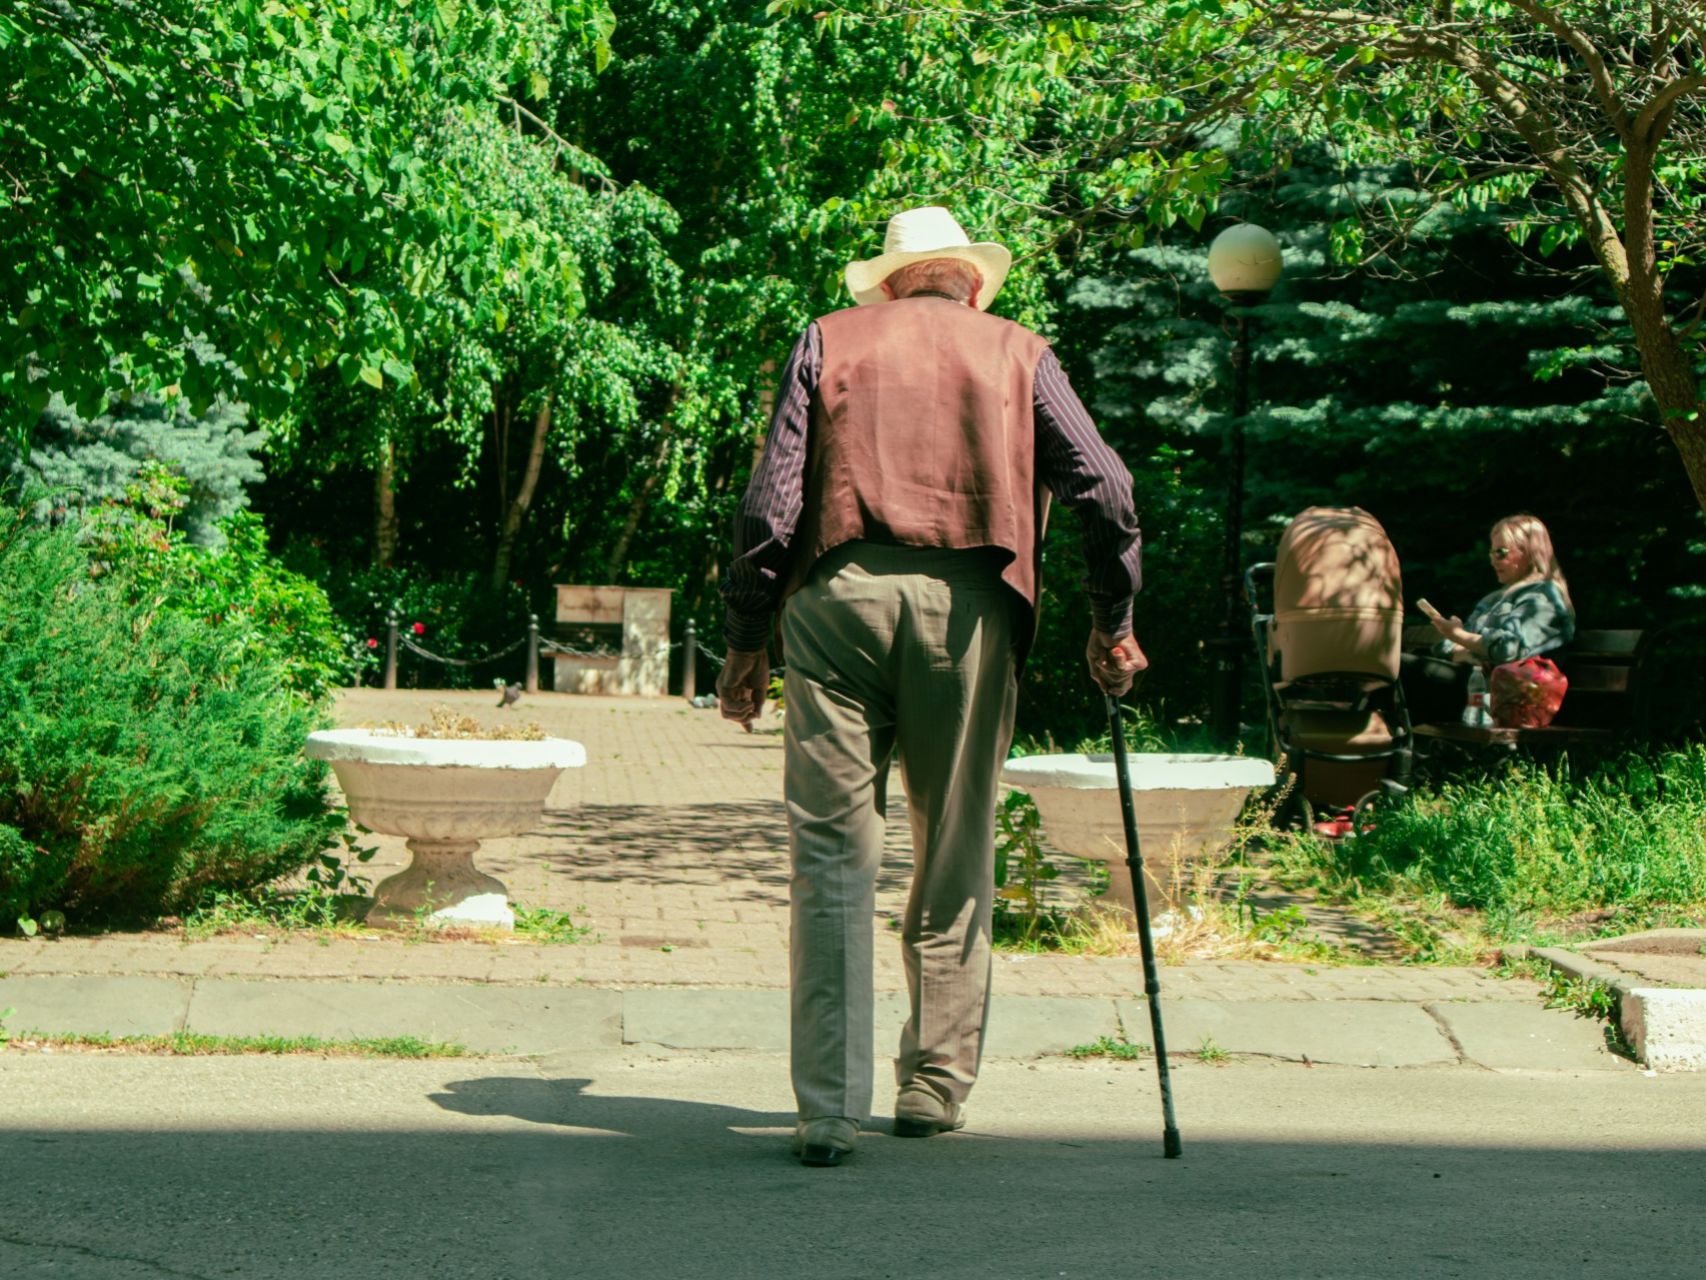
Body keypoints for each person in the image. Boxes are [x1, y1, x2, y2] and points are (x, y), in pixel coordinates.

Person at [716, 206, 1145, 1167]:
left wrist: (747, 636)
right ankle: (934, 1086)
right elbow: (1106, 489)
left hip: (836, 596)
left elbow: (770, 504)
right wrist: (1111, 622)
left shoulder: (828, 338)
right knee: (955, 847)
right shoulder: (1018, 352)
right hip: (971, 608)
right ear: (970, 282)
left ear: (893, 280)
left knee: (830, 855)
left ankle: (826, 1108)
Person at [1402, 513, 1576, 723]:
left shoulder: (1543, 597)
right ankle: (1385, 747)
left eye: (1501, 553)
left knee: (1397, 668)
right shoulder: (1493, 599)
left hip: (1506, 695)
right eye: (1492, 553)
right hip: (1474, 682)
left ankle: (1386, 748)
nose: (1493, 560)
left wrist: (1460, 638)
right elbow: (1444, 646)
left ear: (1529, 554)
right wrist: (1463, 645)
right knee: (1386, 669)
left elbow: (1509, 649)